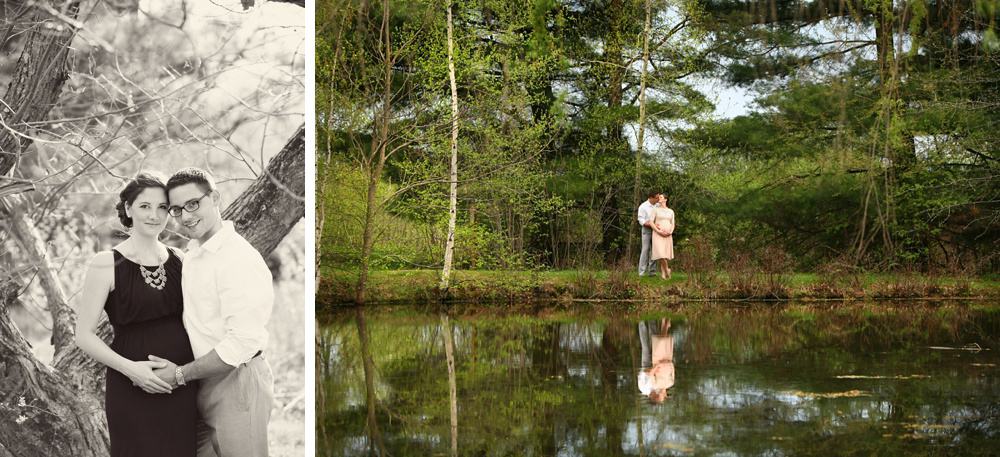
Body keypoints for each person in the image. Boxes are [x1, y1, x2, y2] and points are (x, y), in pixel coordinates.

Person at [150, 167, 275, 457]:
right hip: (202, 381)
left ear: (215, 197)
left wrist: (180, 375)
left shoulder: (236, 258)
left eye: (193, 204)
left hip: (237, 381)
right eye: (177, 209)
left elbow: (242, 342)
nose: (186, 216)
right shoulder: (194, 253)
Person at [75, 171, 198, 456]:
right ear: (129, 209)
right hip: (131, 386)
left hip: (180, 384)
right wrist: (131, 370)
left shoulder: (180, 259)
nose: (154, 215)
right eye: (145, 206)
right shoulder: (106, 263)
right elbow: (83, 335)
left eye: (162, 207)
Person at [637, 318, 674, 404]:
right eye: (657, 396)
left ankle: (641, 321)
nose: (657, 395)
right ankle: (652, 319)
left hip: (646, 364)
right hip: (656, 362)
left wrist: (651, 371)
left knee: (645, 346)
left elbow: (641, 373)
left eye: (656, 397)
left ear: (652, 397)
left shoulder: (643, 388)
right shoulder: (657, 388)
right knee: (654, 341)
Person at [650, 193, 675, 279]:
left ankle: (663, 275)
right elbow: (651, 222)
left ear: (665, 199)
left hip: (667, 234)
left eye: (660, 197)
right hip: (658, 234)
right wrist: (658, 230)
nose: (659, 199)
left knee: (664, 255)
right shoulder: (655, 209)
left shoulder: (671, 211)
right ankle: (667, 270)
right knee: (660, 255)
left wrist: (670, 231)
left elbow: (673, 223)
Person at [637, 190, 661, 277]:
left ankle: (651, 272)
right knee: (645, 250)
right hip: (646, 230)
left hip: (656, 230)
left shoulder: (658, 206)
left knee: (654, 251)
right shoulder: (643, 207)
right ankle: (641, 273)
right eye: (657, 198)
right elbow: (641, 221)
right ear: (651, 198)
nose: (658, 199)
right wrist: (651, 224)